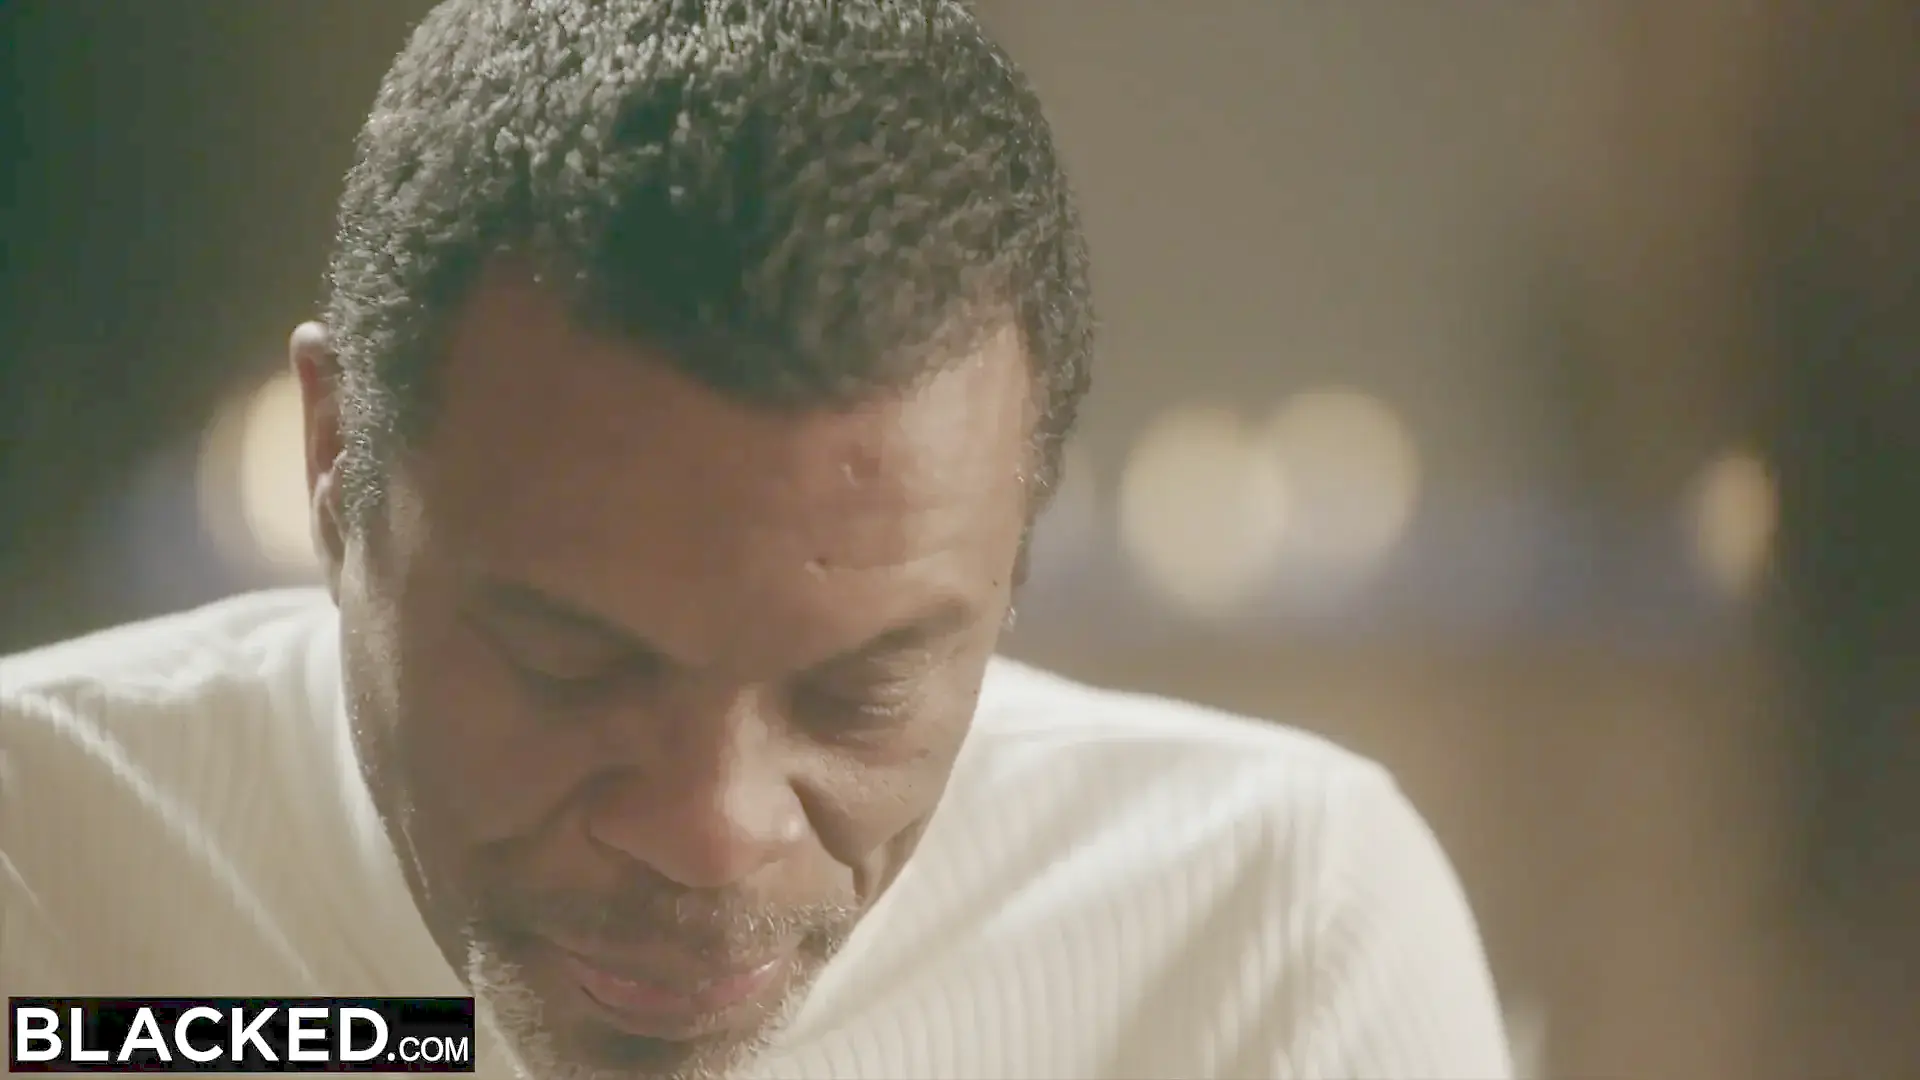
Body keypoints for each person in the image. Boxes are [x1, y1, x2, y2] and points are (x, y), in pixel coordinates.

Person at [0, 2, 1512, 1077]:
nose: (712, 832)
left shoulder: (1266, 939)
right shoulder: (35, 876)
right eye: (570, 664)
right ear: (338, 462)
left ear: (1015, 555)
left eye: (859, 693)